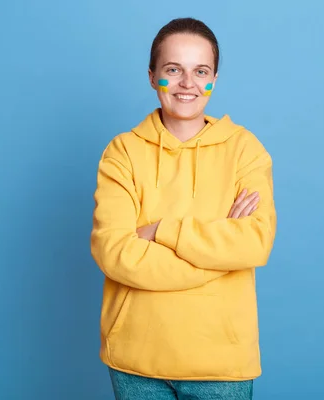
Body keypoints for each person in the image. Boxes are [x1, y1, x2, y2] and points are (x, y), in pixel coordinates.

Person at [90, 17, 277, 400]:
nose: (188, 84)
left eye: (201, 71)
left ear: (215, 78)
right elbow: (115, 253)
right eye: (173, 70)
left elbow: (254, 244)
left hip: (221, 363)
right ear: (152, 75)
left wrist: (161, 231)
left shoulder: (245, 150)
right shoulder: (122, 152)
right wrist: (217, 255)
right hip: (135, 360)